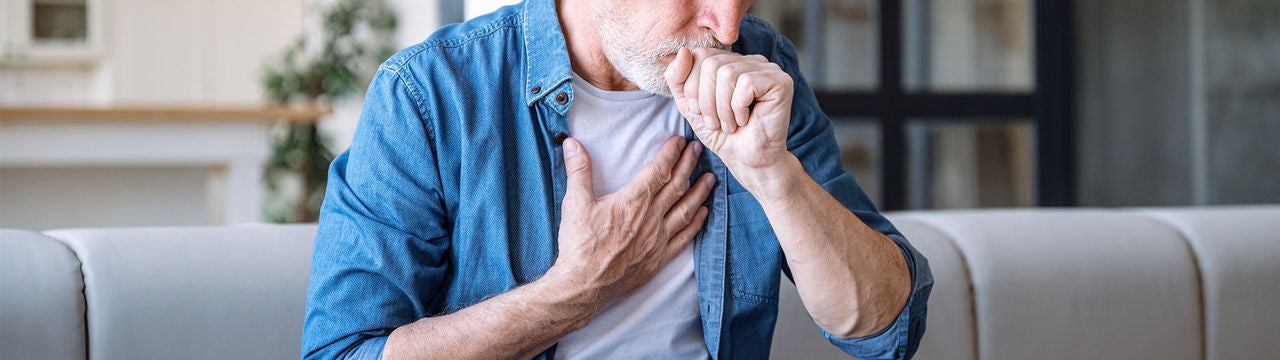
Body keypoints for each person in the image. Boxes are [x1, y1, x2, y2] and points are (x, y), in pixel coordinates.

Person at [301, 0, 933, 359]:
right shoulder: (430, 93)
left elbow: (886, 328)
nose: (726, 25)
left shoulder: (758, 70)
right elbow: (340, 352)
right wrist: (572, 293)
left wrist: (774, 175)